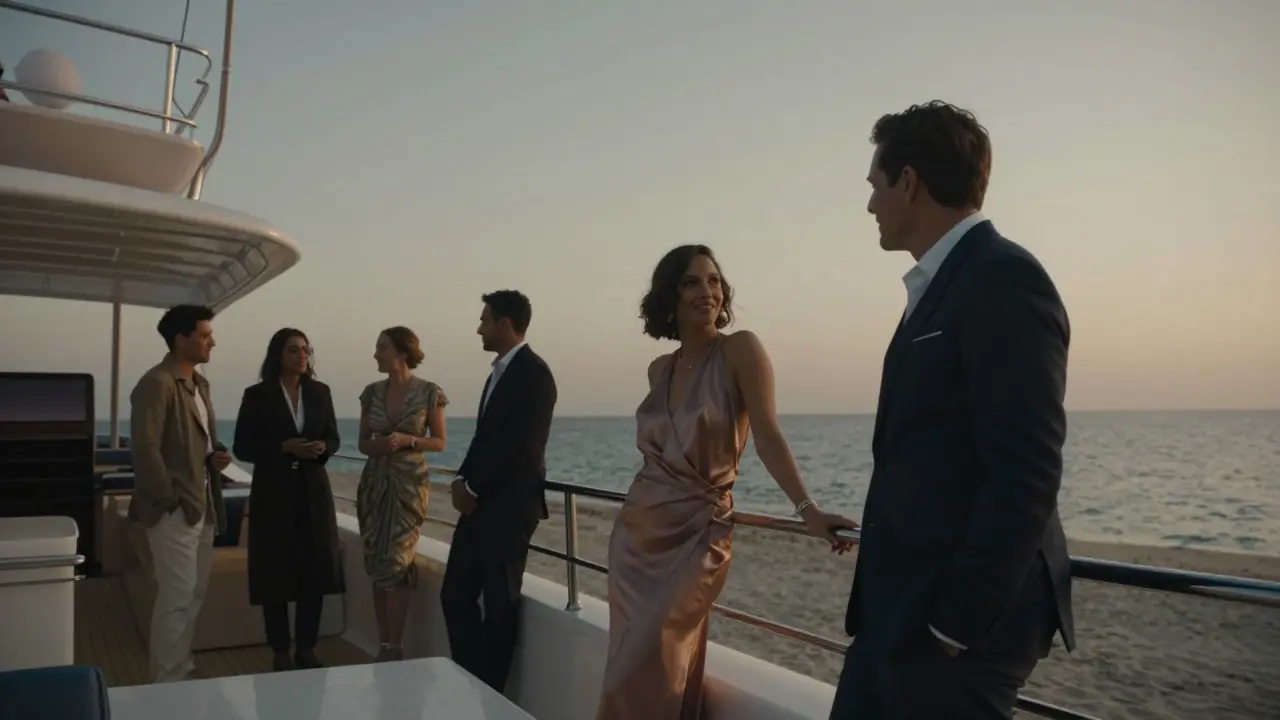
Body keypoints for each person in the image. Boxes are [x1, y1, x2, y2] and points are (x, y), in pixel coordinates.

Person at [829, 101, 1075, 719]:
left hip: (957, 628)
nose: (869, 206)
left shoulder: (1003, 278)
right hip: (902, 611)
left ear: (907, 182)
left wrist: (952, 628)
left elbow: (1026, 470)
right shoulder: (941, 284)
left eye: (874, 186)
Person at [595, 245, 857, 719]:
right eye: (692, 282)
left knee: (651, 660)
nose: (707, 291)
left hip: (699, 535)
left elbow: (768, 436)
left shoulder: (740, 350)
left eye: (714, 281)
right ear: (668, 296)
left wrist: (808, 510)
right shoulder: (660, 369)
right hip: (637, 539)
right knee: (633, 663)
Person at [440, 290, 557, 693]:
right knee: (454, 595)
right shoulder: (498, 373)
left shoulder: (534, 374)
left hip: (509, 510)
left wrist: (472, 486)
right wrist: (460, 479)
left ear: (504, 324)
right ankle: (476, 684)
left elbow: (520, 446)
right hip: (478, 507)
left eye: (484, 320)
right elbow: (484, 439)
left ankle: (492, 696)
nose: (479, 328)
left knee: (500, 604)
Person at [128, 304, 230, 683]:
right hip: (174, 509)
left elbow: (195, 443)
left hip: (202, 505)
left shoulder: (199, 384)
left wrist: (215, 457)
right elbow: (144, 447)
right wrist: (168, 498)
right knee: (175, 599)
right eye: (204, 335)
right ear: (180, 339)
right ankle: (166, 683)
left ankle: (182, 669)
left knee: (194, 595)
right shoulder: (156, 383)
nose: (212, 342)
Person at [232, 328, 344, 672]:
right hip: (272, 491)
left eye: (305, 349)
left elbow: (333, 437)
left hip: (313, 490)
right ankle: (280, 649)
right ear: (278, 354)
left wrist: (322, 447)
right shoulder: (257, 395)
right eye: (294, 349)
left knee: (314, 568)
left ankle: (306, 648)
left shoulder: (320, 392)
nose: (301, 355)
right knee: (274, 571)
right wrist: (284, 448)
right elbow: (242, 447)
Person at [356, 326, 448, 662]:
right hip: (374, 483)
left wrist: (408, 440)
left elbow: (439, 441)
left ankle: (395, 647)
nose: (376, 354)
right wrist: (378, 445)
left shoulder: (429, 392)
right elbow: (363, 443)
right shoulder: (370, 392)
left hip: (409, 486)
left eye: (381, 347)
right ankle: (384, 644)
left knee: (397, 562)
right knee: (378, 562)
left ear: (401, 351)